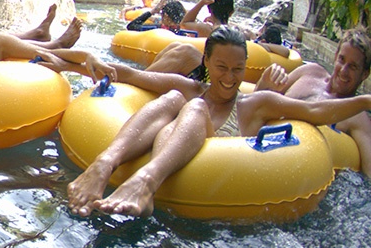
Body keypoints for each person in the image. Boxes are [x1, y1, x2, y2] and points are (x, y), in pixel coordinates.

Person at [66, 26, 371, 218]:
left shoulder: (254, 104)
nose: (229, 77)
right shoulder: (191, 87)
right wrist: (94, 61)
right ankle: (104, 165)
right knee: (175, 98)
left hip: (212, 189)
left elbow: (317, 113)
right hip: (170, 166)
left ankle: (145, 181)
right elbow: (136, 76)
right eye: (221, 67)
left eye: (238, 70)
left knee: (194, 107)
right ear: (207, 63)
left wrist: (366, 102)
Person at [258, 27, 371, 177]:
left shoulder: (356, 115)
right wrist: (263, 83)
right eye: (342, 60)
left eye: (353, 66)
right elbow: (258, 102)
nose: (344, 70)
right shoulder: (309, 72)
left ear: (364, 74)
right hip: (258, 149)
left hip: (291, 172)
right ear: (335, 56)